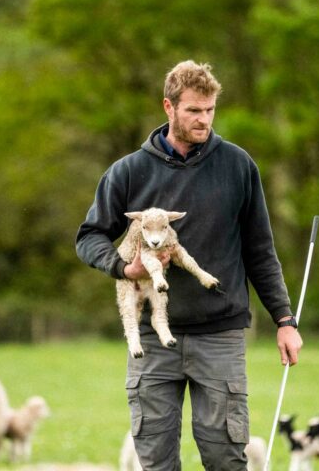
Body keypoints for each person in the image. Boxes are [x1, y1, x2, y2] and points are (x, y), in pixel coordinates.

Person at [76, 60, 302, 470]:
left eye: (210, 110)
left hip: (220, 335)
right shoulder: (128, 172)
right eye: (194, 110)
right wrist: (123, 269)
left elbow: (260, 251)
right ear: (169, 107)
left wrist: (285, 319)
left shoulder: (238, 166)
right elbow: (89, 236)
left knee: (225, 458)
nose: (204, 119)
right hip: (152, 337)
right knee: (156, 461)